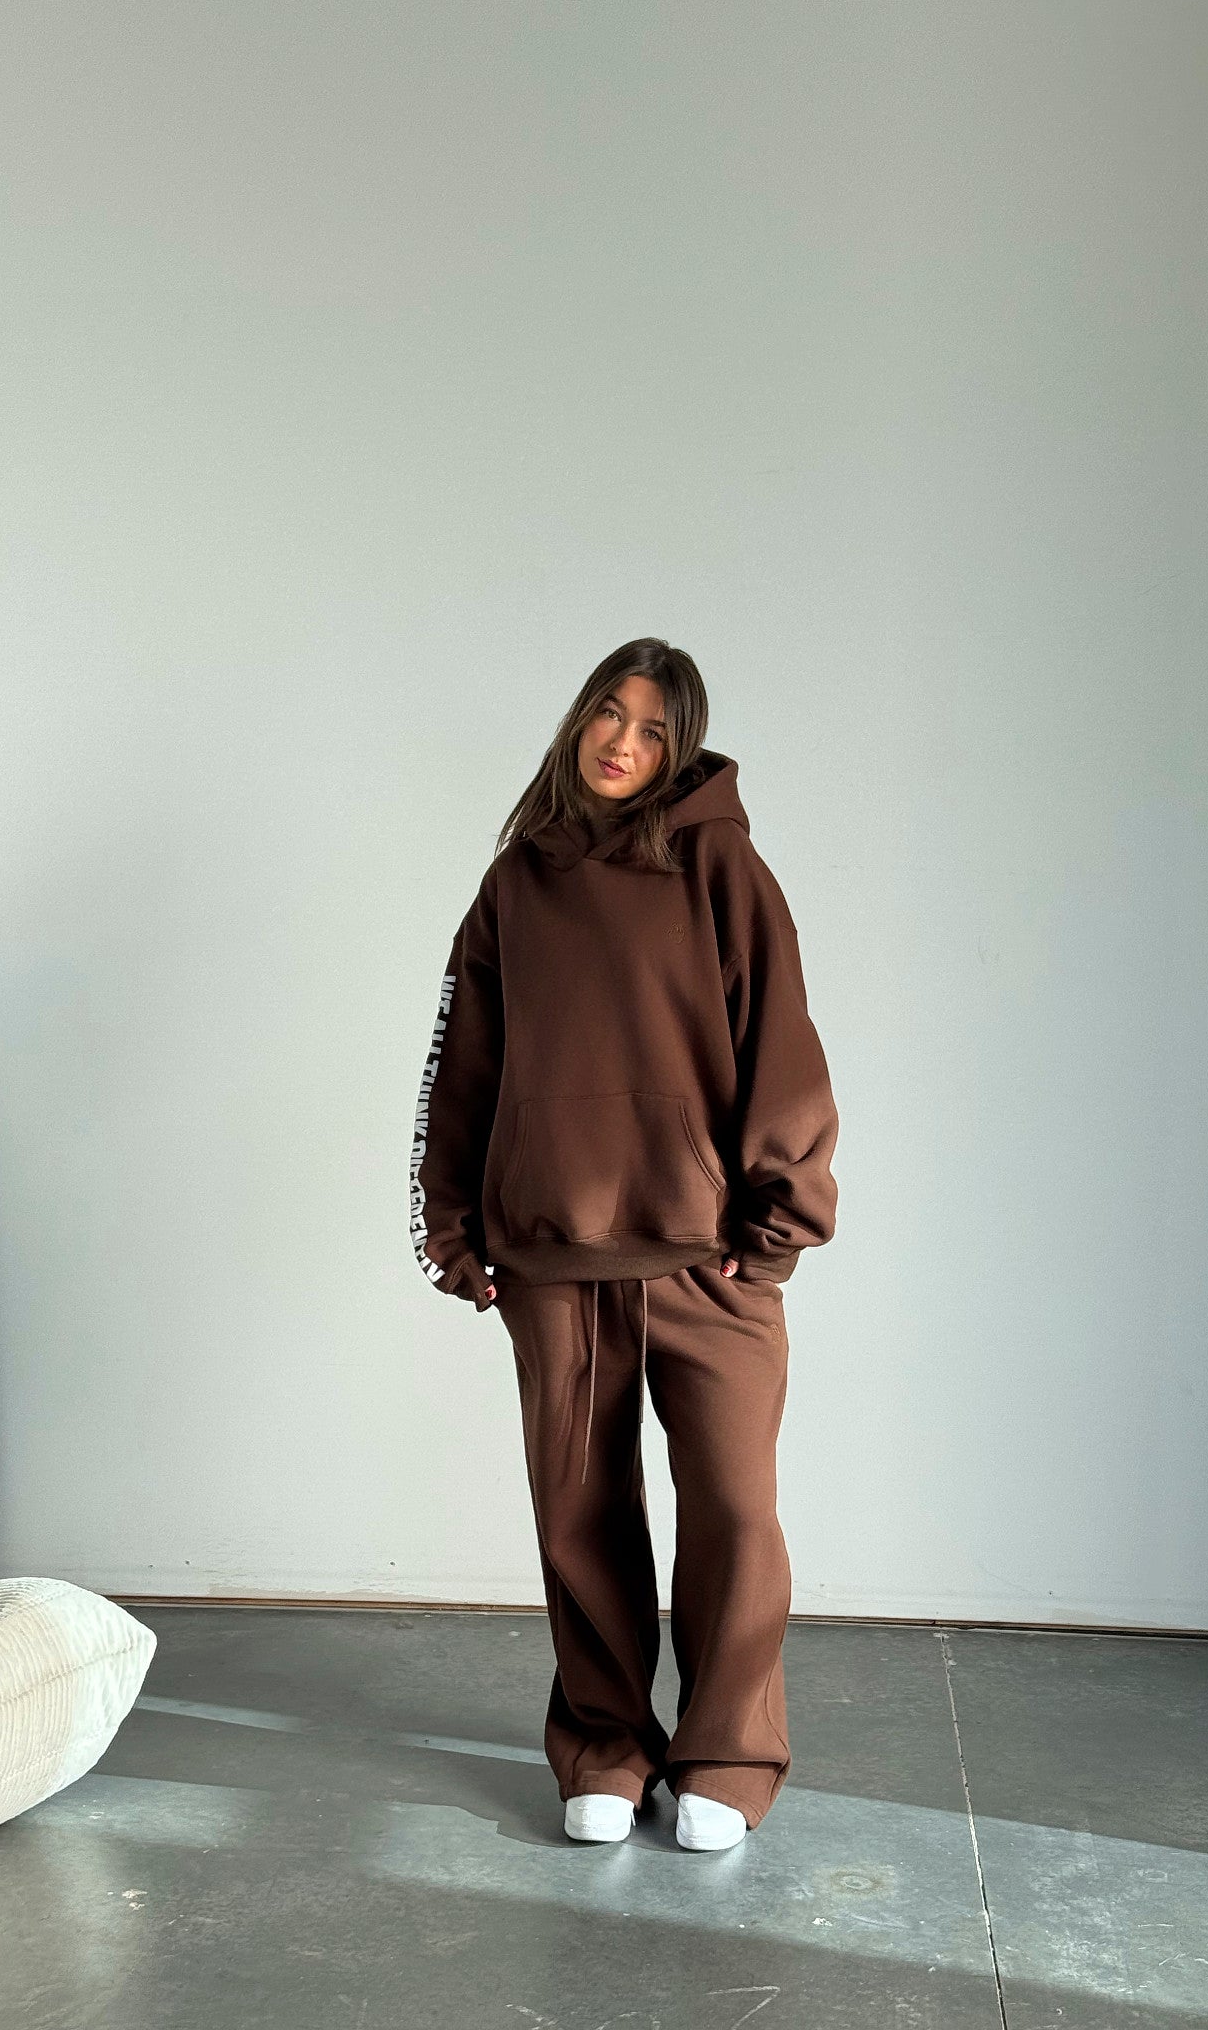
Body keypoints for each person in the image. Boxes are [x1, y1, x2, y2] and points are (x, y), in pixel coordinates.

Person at [410, 639, 838, 1851]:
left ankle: (727, 1755)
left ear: (679, 747)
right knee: (579, 1513)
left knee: (735, 1514)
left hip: (707, 1255)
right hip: (552, 1257)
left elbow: (783, 1041)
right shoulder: (516, 883)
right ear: (577, 721)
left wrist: (777, 1223)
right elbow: (463, 1067)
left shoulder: (720, 864)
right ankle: (604, 1744)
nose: (623, 743)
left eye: (652, 728)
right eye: (608, 714)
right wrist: (452, 1225)